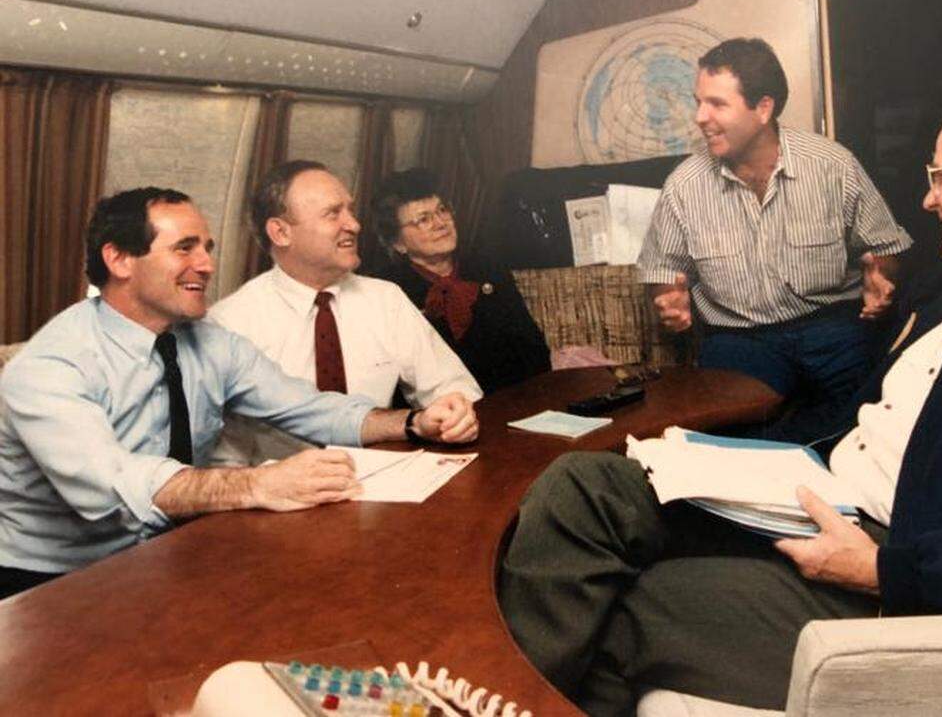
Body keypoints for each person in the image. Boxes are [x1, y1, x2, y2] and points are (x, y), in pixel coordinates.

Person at [500, 89, 942, 715]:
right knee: (583, 485)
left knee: (631, 607)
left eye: (939, 176)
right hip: (818, 491)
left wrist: (887, 570)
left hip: (893, 561)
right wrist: (729, 461)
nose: (927, 197)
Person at [0, 188, 478, 600]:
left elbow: (308, 408)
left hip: (170, 552)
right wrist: (260, 485)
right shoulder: (48, 366)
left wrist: (413, 422)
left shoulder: (210, 342)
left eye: (207, 248)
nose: (207, 265)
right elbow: (116, 485)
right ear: (119, 259)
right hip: (52, 582)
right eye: (184, 248)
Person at [639, 37, 912, 435]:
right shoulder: (684, 185)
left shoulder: (833, 165)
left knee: (876, 423)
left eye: (717, 103)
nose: (700, 116)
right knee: (731, 435)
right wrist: (668, 301)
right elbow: (664, 272)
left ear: (763, 108)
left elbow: (885, 249)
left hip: (833, 328)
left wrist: (882, 278)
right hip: (739, 338)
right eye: (698, 101)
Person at [210, 161, 482, 464]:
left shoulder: (384, 299)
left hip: (388, 481)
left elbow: (452, 385)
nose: (354, 224)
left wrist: (455, 412)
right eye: (332, 213)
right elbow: (222, 457)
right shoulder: (231, 322)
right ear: (281, 232)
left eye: (350, 211)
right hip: (278, 496)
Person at [368, 168, 551, 395]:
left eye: (442, 210)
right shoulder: (389, 292)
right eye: (423, 219)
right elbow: (393, 384)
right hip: (446, 416)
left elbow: (532, 346)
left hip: (517, 399)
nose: (441, 223)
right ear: (397, 243)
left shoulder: (487, 267)